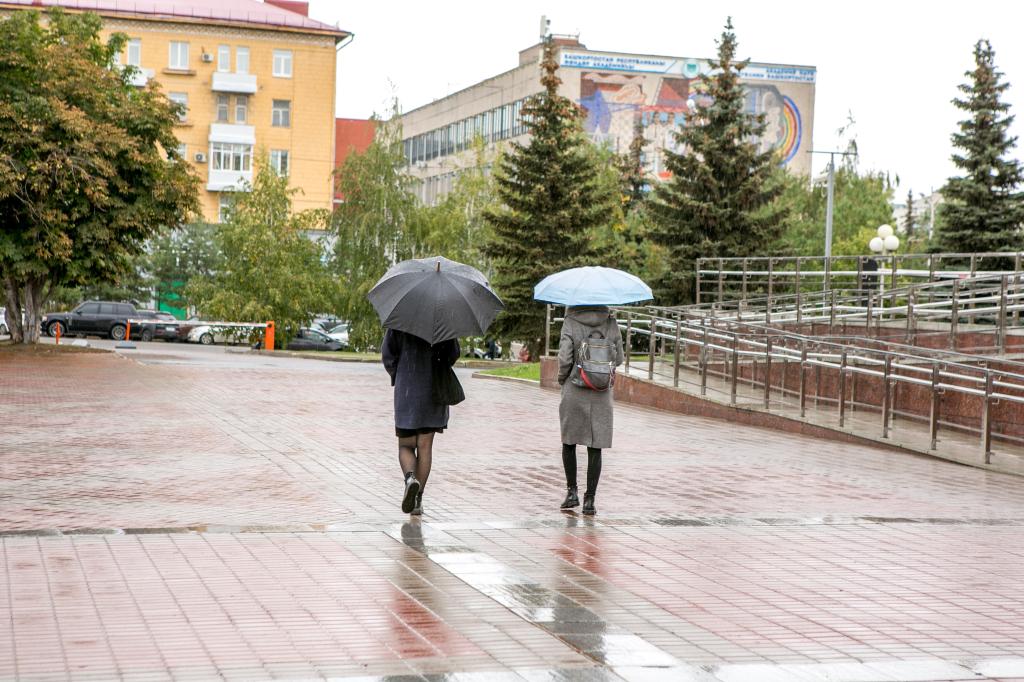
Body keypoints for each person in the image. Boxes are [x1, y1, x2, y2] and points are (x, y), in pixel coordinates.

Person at [382, 329, 460, 516]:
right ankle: (417, 501)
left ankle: (410, 480)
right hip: (433, 390)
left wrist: (398, 374)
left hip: (407, 389)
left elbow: (388, 355)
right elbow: (453, 354)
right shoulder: (444, 323)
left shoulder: (400, 322)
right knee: (425, 447)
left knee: (406, 446)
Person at [556, 305, 624, 515]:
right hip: (601, 391)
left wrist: (562, 379)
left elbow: (565, 358)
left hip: (574, 389)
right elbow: (619, 358)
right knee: (596, 445)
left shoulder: (570, 321)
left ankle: (571, 493)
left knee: (569, 441)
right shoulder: (611, 322)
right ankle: (590, 500)